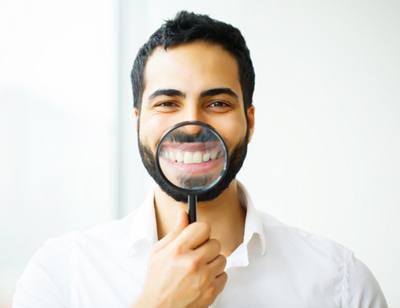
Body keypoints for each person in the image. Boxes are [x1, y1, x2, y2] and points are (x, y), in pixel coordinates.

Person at [13, 11, 388, 308]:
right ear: (137, 121)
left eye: (217, 103)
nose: (191, 126)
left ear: (250, 121)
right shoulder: (61, 275)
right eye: (167, 103)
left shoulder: (342, 285)